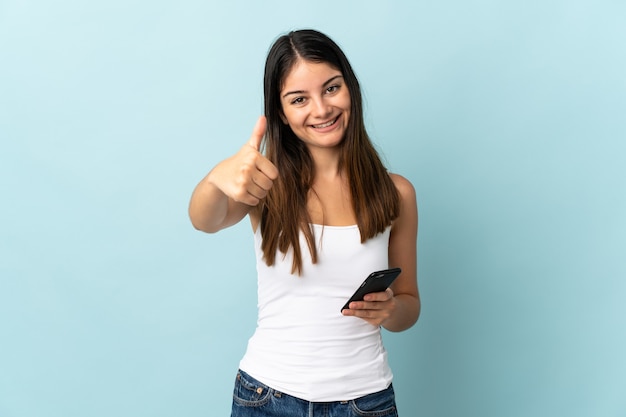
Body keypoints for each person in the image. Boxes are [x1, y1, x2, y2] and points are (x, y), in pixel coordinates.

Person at [189, 29, 420, 417]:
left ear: (350, 88)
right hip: (266, 397)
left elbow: (409, 304)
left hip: (365, 401)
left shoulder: (396, 193)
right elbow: (204, 220)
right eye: (299, 99)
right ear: (280, 111)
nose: (321, 109)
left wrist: (391, 310)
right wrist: (216, 178)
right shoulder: (265, 183)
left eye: (331, 88)